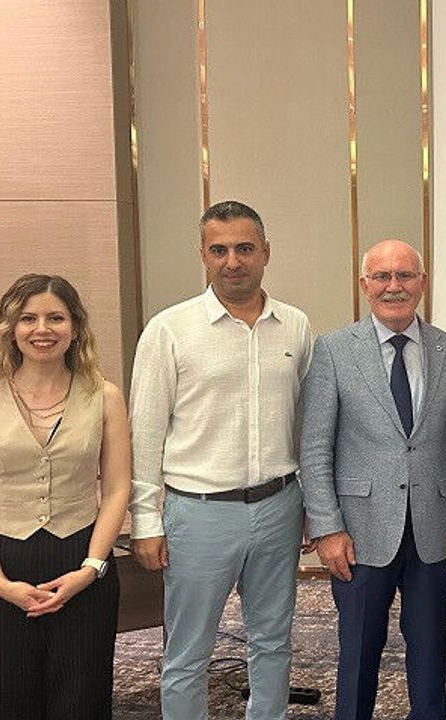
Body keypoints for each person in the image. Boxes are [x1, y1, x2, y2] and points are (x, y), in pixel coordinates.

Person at [129, 200, 313, 720]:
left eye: (245, 248)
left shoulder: (295, 326)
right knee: (188, 653)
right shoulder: (169, 329)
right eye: (220, 250)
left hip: (279, 506)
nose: (233, 261)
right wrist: (145, 521)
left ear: (266, 252)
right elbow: (145, 433)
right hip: (198, 512)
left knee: (273, 642)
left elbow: (307, 425)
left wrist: (312, 506)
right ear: (203, 255)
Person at [298, 239, 446, 720]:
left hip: (433, 531)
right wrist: (327, 527)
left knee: (430, 653)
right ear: (365, 285)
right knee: (358, 653)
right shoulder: (334, 350)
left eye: (405, 276)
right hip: (358, 534)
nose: (393, 286)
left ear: (422, 282)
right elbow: (315, 448)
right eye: (382, 276)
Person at [0, 274, 131, 719]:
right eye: (28, 318)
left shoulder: (104, 397)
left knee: (81, 701)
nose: (42, 329)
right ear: (10, 327)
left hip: (81, 561)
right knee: (0, 701)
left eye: (56, 318)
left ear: (75, 326)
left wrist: (91, 568)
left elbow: (117, 489)